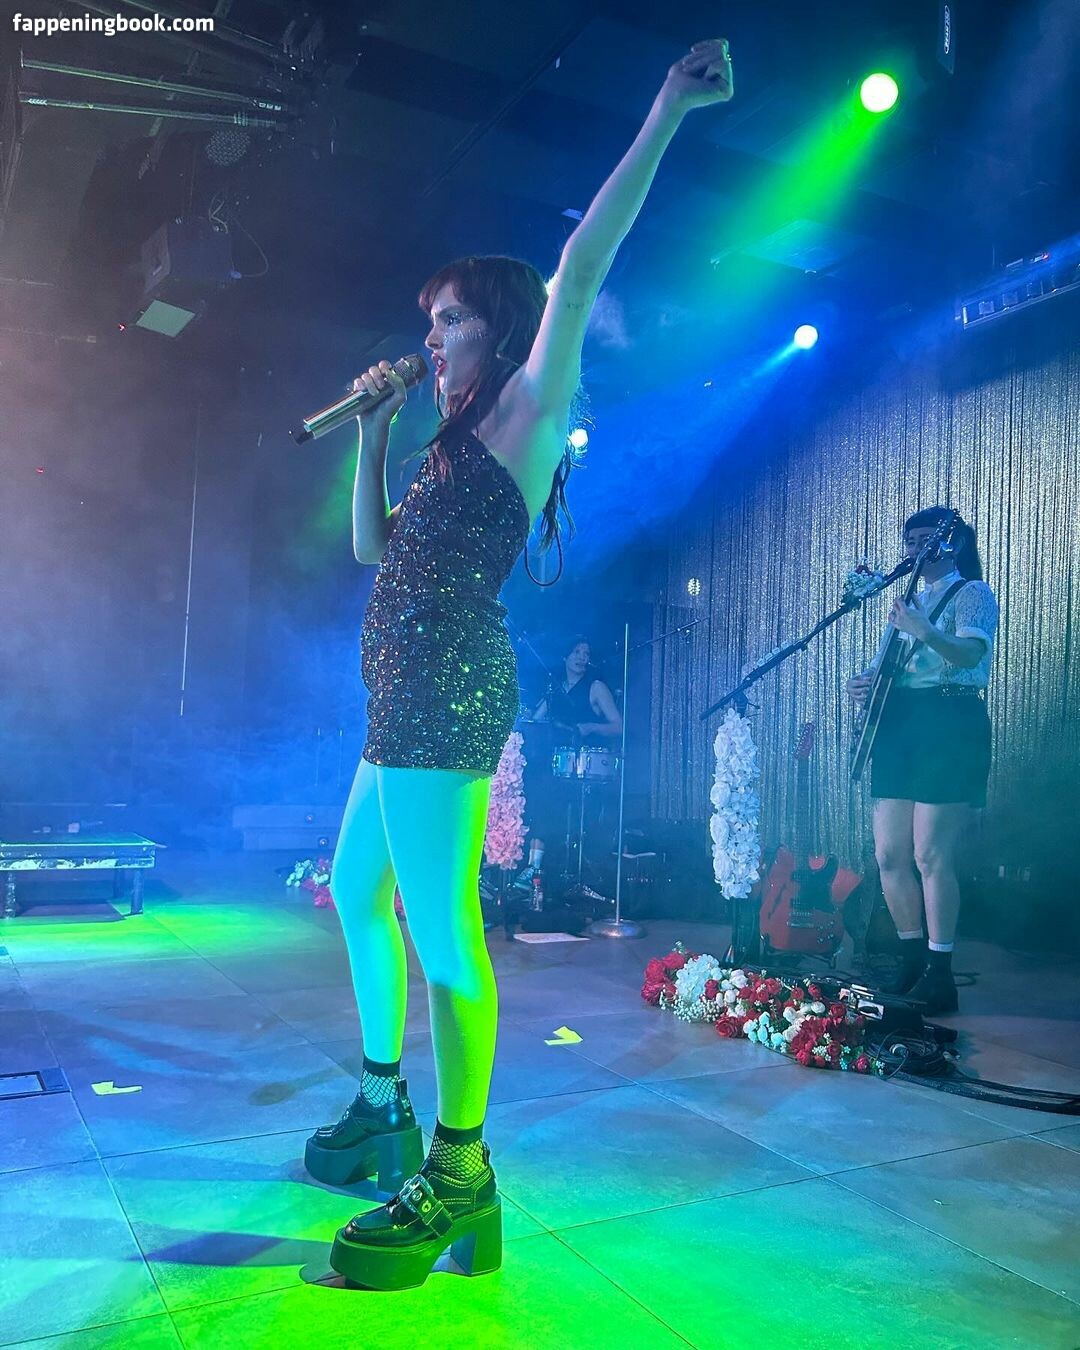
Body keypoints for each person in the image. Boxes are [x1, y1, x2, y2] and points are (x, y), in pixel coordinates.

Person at [306, 38, 735, 1291]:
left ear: (496, 323)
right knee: (357, 888)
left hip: (447, 686)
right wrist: (374, 431)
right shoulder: (443, 444)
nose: (429, 336)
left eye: (447, 317)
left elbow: (585, 257)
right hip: (397, 691)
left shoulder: (528, 408)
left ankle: (462, 1169)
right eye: (427, 321)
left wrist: (665, 108)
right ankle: (385, 1102)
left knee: (446, 930)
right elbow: (368, 547)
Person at [848, 507, 999, 1014]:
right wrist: (864, 684)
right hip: (900, 724)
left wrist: (924, 627)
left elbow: (971, 655)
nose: (914, 548)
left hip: (949, 722)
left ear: (952, 544)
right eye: (909, 540)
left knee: (931, 854)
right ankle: (911, 960)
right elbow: (889, 666)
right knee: (889, 854)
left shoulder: (972, 592)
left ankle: (940, 972)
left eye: (924, 539)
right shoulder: (908, 601)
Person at [533, 636, 623, 744]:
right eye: (577, 652)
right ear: (565, 657)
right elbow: (536, 721)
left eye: (586, 654)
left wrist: (591, 727)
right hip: (556, 751)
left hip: (586, 751)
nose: (582, 657)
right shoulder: (556, 688)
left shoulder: (596, 687)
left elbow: (619, 727)